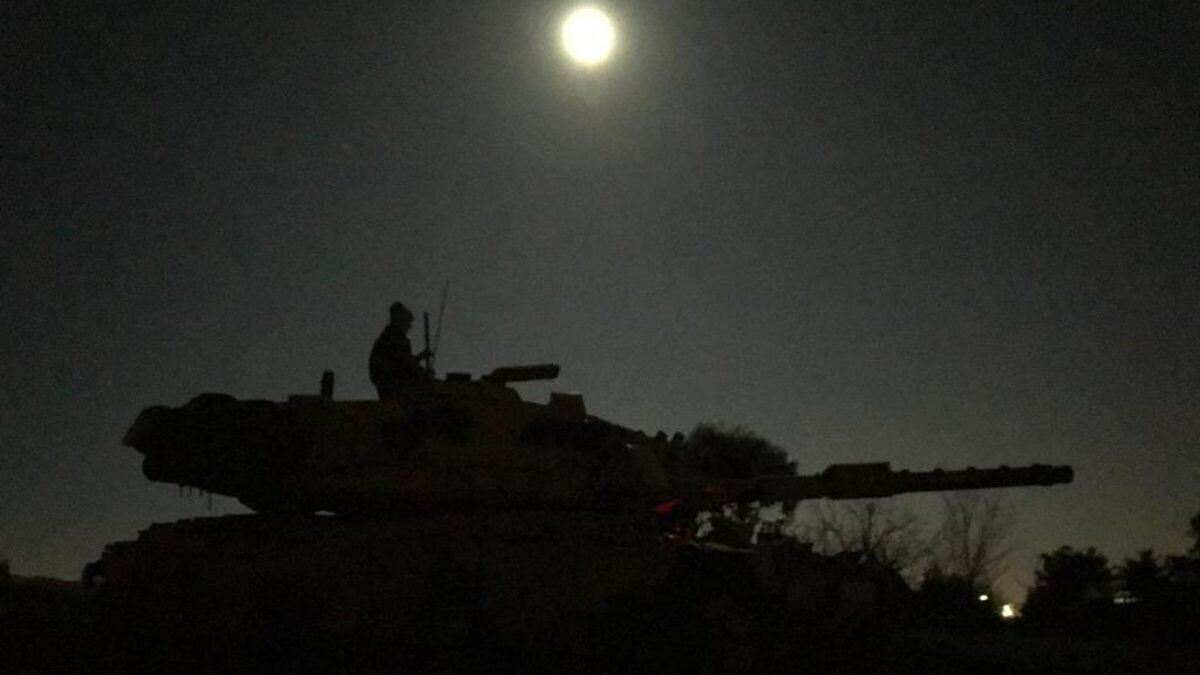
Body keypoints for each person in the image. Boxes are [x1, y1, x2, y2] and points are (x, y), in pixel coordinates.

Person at [369, 301, 430, 398]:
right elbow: (406, 364)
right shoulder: (394, 339)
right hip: (393, 387)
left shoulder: (387, 337)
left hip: (387, 386)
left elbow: (405, 362)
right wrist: (424, 374)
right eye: (407, 323)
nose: (408, 327)